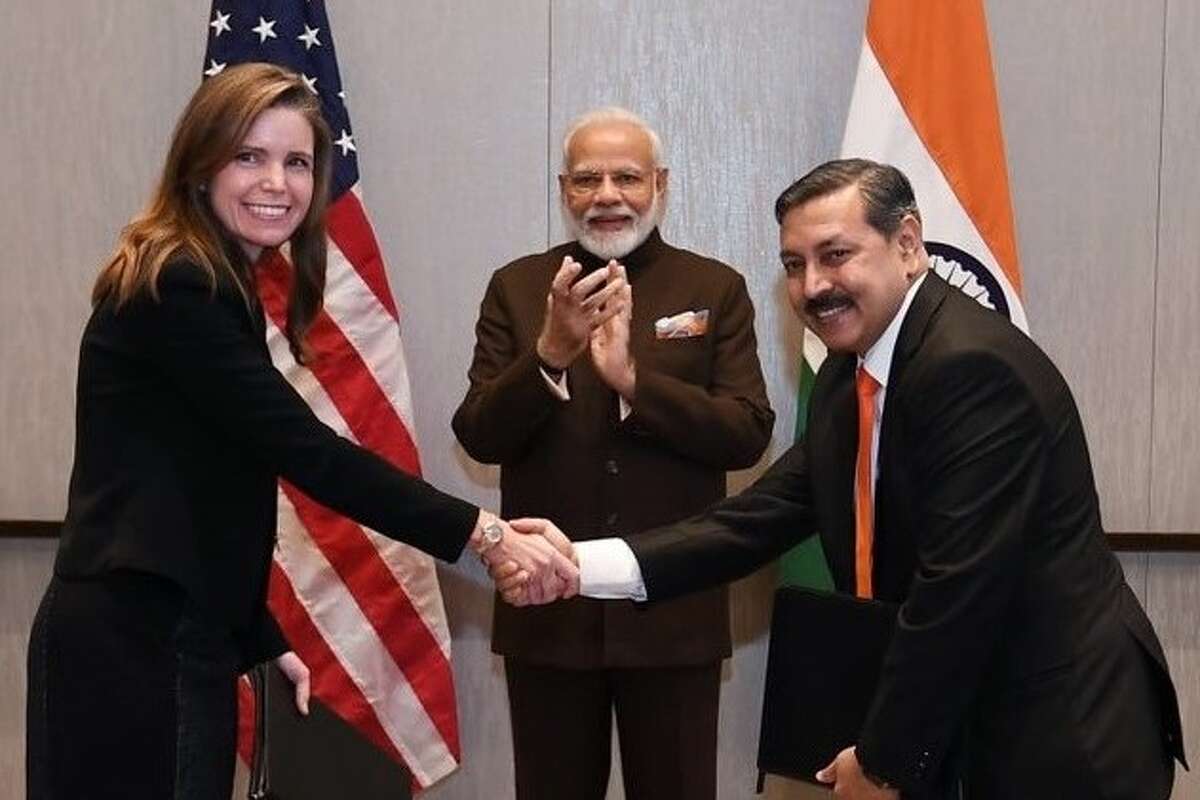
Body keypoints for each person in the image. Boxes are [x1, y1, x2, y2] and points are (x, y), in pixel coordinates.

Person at [501, 159, 1187, 799]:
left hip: (1056, 730)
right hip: (964, 716)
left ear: (909, 245)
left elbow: (959, 588)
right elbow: (759, 517)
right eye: (794, 266)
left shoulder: (972, 369)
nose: (813, 287)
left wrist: (883, 756)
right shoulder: (848, 370)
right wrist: (578, 563)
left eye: (836, 256)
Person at [25, 63, 574, 800]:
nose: (274, 183)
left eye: (297, 163)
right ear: (199, 163)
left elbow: (206, 481)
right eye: (248, 156)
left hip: (160, 631)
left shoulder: (214, 279)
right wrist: (486, 533)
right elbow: (302, 450)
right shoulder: (182, 284)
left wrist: (258, 633)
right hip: (137, 645)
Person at [452, 107, 773, 800]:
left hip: (675, 613)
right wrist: (549, 356)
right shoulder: (517, 287)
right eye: (587, 178)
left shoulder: (712, 288)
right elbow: (478, 434)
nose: (607, 195)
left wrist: (636, 383)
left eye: (626, 176)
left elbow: (748, 431)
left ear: (660, 183)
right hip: (548, 610)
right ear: (564, 189)